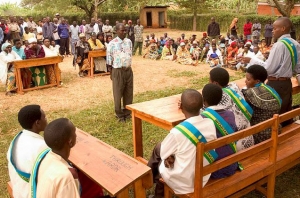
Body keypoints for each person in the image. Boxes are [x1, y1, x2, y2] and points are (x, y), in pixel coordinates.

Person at [147, 89, 217, 196]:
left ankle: (153, 187)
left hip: (184, 183)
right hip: (203, 177)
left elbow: (163, 154)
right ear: (202, 105)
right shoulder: (210, 123)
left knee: (161, 157)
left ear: (181, 107)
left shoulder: (177, 132)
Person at [243, 17, 300, 122]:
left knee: (272, 114)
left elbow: (268, 69)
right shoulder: (295, 44)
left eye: (275, 28)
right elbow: (298, 68)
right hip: (287, 83)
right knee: (285, 113)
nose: (272, 31)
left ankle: (275, 136)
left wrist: (252, 60)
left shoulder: (279, 45)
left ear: (283, 28)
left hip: (275, 84)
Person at [28, 118, 80, 197]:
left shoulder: (43, 158)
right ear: (70, 142)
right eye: (74, 132)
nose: (76, 135)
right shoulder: (65, 176)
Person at [6, 105, 48, 198]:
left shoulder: (17, 139)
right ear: (37, 123)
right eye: (44, 117)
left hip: (18, 191)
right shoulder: (41, 147)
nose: (46, 119)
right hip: (32, 194)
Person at [209, 68, 254, 150]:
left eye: (209, 80)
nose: (208, 82)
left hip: (236, 145)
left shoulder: (218, 96)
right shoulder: (234, 86)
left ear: (215, 83)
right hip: (249, 137)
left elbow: (202, 109)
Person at [200, 84, 239, 178]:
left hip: (213, 170)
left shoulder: (203, 119)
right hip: (231, 165)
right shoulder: (230, 114)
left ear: (204, 100)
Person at [242, 65, 281, 144]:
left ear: (257, 81)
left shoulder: (251, 93)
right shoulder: (269, 89)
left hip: (260, 135)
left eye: (248, 79)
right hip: (276, 130)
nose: (245, 81)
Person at [107, 23, 133, 122]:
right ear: (116, 31)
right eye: (122, 30)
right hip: (117, 70)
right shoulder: (112, 43)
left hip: (128, 70)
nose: (124, 32)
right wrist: (111, 73)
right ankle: (119, 114)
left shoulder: (129, 41)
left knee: (128, 92)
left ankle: (127, 112)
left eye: (125, 30)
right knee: (118, 92)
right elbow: (109, 59)